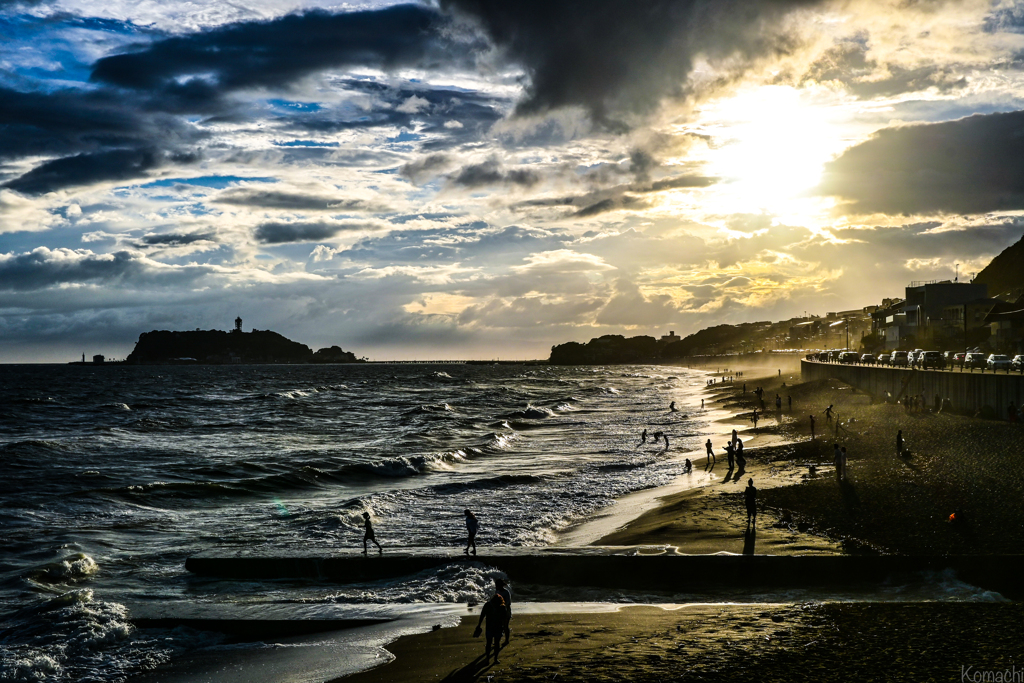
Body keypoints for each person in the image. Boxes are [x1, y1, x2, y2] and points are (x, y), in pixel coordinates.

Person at [474, 593, 508, 664]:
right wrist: (505, 628)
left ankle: (487, 659)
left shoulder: (487, 605)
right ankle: (495, 659)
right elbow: (504, 619)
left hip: (489, 627)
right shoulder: (502, 607)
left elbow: (482, 615)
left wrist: (479, 625)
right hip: (498, 628)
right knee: (497, 643)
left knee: (488, 643)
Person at [494, 578, 512, 645]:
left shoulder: (506, 592)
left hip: (506, 611)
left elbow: (508, 603)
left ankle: (506, 640)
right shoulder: (497, 592)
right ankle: (498, 640)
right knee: (499, 626)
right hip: (499, 612)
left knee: (505, 626)